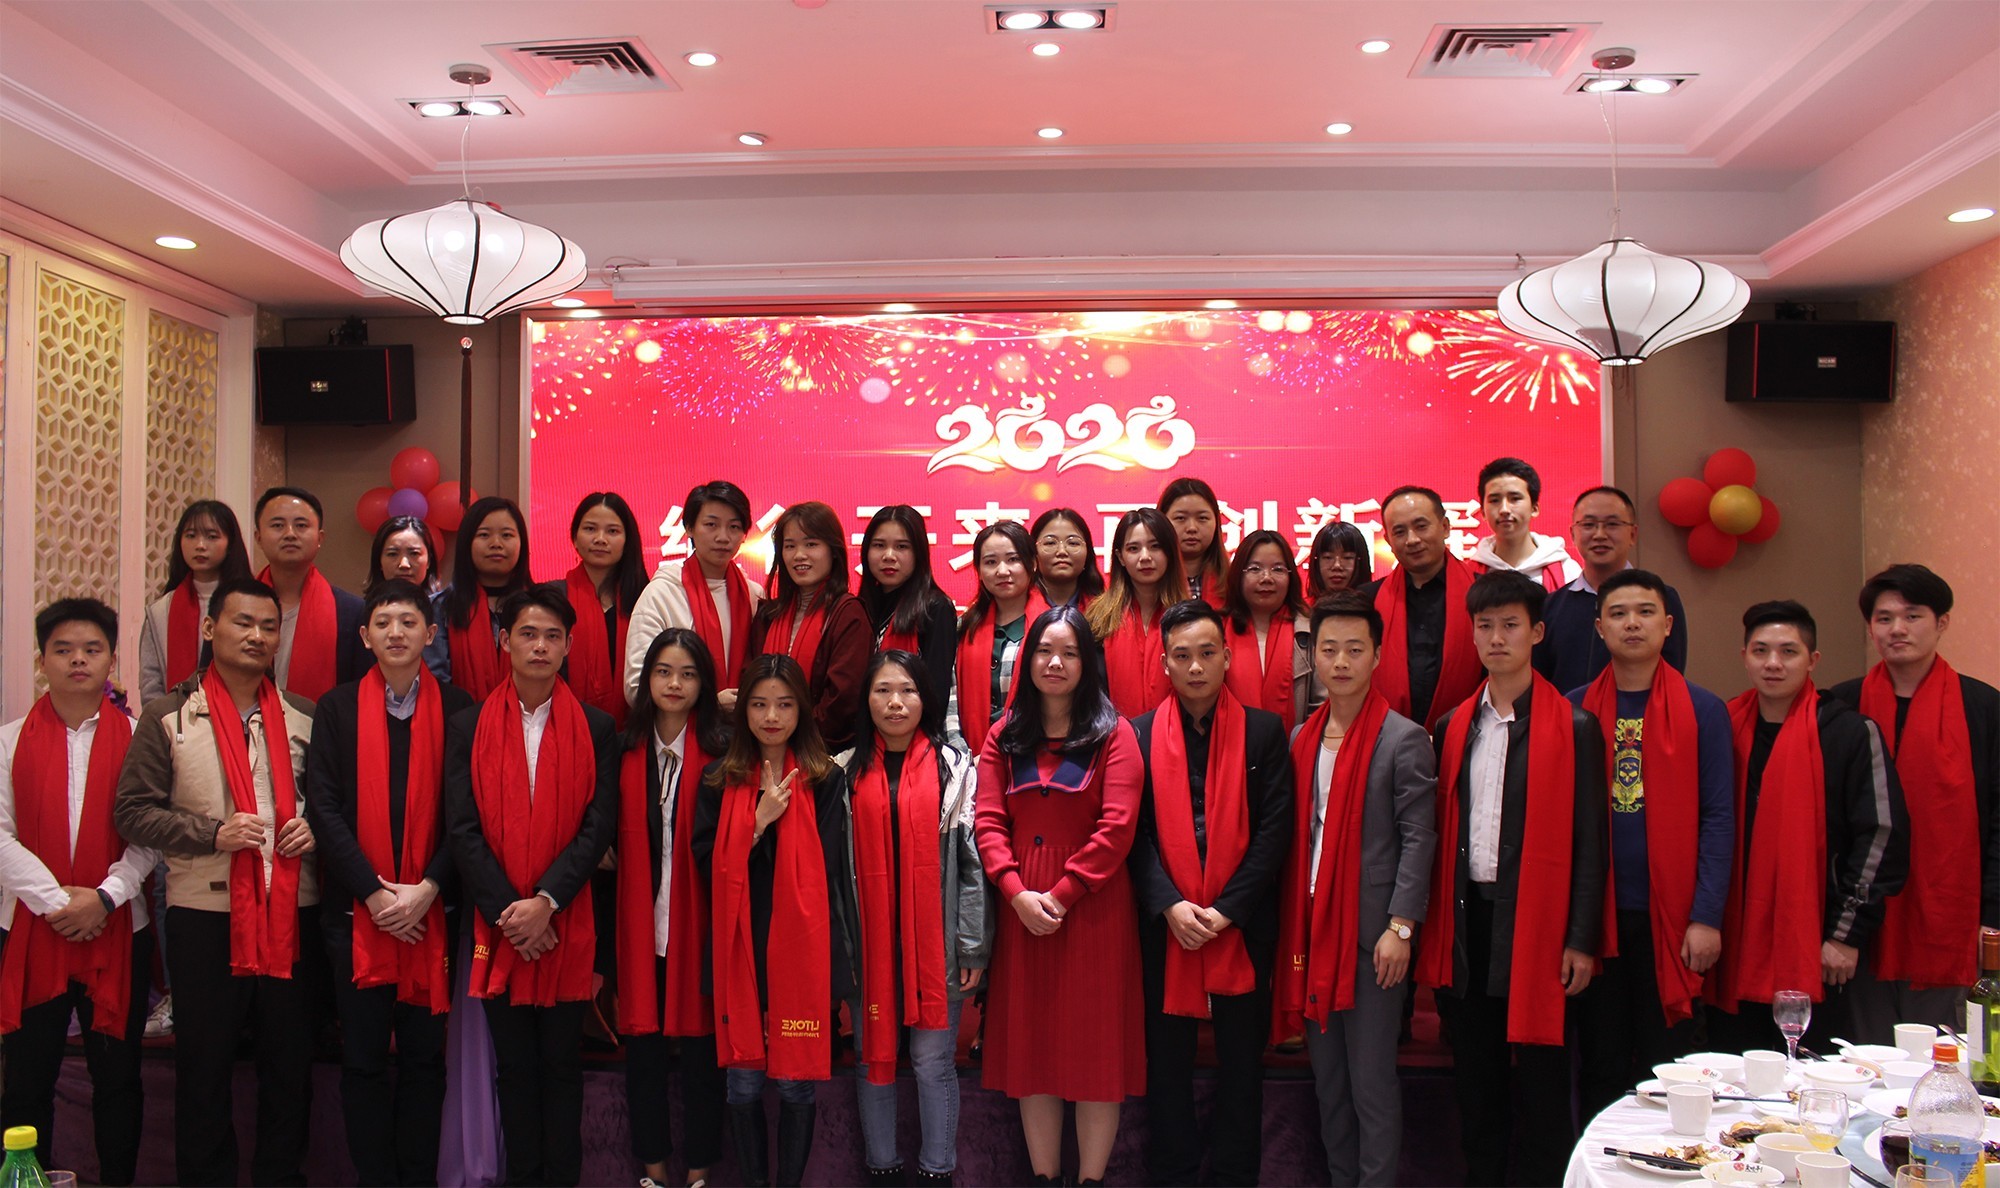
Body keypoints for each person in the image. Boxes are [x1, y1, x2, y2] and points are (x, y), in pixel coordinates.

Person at [113, 577, 321, 1187]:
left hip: (293, 914)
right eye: (242, 623)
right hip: (205, 918)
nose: (256, 636)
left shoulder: (306, 715)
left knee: (290, 1071)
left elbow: (335, 805)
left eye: (268, 627)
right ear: (211, 629)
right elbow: (132, 811)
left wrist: (314, 826)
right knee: (203, 1072)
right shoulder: (168, 716)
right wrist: (211, 833)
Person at [1415, 571, 1607, 1188]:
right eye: (1485, 626)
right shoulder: (1452, 726)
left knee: (1544, 1089)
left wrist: (1580, 938)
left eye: (1510, 625)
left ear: (1537, 632)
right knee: (1478, 1087)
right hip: (1468, 924)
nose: (1497, 638)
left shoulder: (1575, 726)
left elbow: (1590, 842)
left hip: (1539, 926)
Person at [445, 583, 620, 1188]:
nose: (540, 646)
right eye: (527, 634)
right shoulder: (467, 725)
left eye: (552, 636)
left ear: (568, 645)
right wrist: (511, 913)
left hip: (565, 922)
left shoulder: (597, 727)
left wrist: (546, 903)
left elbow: (598, 826)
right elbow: (462, 828)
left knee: (562, 1067)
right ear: (505, 641)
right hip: (500, 926)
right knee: (514, 1070)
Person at [303, 580, 475, 1185]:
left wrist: (428, 889)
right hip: (356, 915)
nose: (396, 632)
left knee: (426, 1061)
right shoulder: (337, 708)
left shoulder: (460, 708)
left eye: (408, 622)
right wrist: (375, 894)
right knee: (364, 1062)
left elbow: (468, 815)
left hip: (434, 912)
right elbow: (323, 808)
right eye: (383, 623)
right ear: (364, 636)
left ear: (431, 634)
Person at [974, 605, 1145, 1187]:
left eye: (1070, 653)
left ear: (1088, 663)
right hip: (1022, 908)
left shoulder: (1115, 734)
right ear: (1027, 660)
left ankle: (1091, 1180)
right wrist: (1016, 892)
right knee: (1035, 1055)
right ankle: (1045, 1178)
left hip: (1093, 910)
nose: (1055, 663)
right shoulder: (1004, 734)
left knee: (1096, 1057)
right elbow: (988, 823)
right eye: (1045, 651)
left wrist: (1063, 894)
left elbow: (1117, 830)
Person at [1128, 600, 1293, 1187]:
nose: (1195, 666)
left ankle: (1233, 1174)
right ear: (1165, 664)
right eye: (1182, 655)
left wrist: (1226, 911)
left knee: (1242, 1066)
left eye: (1206, 653)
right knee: (1167, 1064)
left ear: (1226, 657)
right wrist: (1170, 904)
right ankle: (1172, 1172)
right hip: (1166, 923)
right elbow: (1132, 834)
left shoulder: (1265, 732)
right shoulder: (1137, 735)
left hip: (1240, 925)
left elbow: (1275, 832)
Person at [1275, 591, 1436, 1188]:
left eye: (1354, 649)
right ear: (1313, 656)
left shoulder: (1404, 738)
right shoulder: (1302, 736)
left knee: (1370, 1084)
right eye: (1329, 649)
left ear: (1376, 655)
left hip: (1373, 935)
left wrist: (1401, 926)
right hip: (1313, 926)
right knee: (1330, 1084)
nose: (1340, 662)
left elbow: (1419, 838)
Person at [1705, 601, 1909, 1056]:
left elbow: (1882, 836)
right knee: (1737, 1068)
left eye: (1788, 651)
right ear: (1744, 657)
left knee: (1811, 1071)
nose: (1773, 663)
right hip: (1733, 942)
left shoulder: (1849, 733)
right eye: (1761, 651)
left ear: (1812, 660)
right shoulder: (1723, 725)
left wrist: (1845, 934)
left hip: (1819, 944)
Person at [1566, 570, 1735, 1120]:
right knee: (1602, 1063)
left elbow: (1718, 817)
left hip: (1676, 919)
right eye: (1618, 614)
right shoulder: (1572, 710)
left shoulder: (1704, 709)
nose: (1632, 624)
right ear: (1600, 628)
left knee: (1672, 1066)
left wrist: (1706, 916)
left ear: (1667, 625)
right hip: (1598, 921)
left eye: (1645, 612)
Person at [0, 599, 157, 1184]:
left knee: (118, 1079)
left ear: (111, 659)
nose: (77, 661)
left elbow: (151, 832)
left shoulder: (140, 740)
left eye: (92, 649)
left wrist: (106, 897)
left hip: (118, 927)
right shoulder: (9, 741)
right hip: (30, 929)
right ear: (42, 659)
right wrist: (60, 901)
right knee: (27, 1080)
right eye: (63, 650)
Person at [690, 655, 851, 1188]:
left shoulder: (825, 778)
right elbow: (706, 863)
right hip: (740, 941)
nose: (772, 717)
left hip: (800, 944)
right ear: (744, 713)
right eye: (759, 705)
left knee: (795, 1082)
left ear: (801, 709)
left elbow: (828, 866)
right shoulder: (719, 778)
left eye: (784, 704)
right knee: (742, 1082)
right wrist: (755, 825)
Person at [835, 651, 993, 1188]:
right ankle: (881, 1167)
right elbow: (831, 874)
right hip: (870, 944)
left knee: (932, 1062)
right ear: (866, 699)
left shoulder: (956, 769)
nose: (895, 703)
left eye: (907, 690)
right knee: (872, 1057)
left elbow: (972, 865)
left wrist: (971, 945)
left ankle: (936, 1171)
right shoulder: (842, 772)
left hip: (936, 944)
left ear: (927, 698)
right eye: (882, 691)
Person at [1827, 564, 1992, 1035]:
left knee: (1943, 1056)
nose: (1897, 629)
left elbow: (1998, 819)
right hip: (1860, 921)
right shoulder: (1841, 706)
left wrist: (1993, 915)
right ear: (1870, 628)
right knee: (1865, 1054)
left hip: (1949, 916)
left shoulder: (1984, 708)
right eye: (1884, 618)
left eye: (1913, 616)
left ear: (1942, 622)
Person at [614, 629, 730, 1188]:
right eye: (663, 672)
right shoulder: (622, 749)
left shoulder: (725, 752)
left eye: (687, 673)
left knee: (705, 1059)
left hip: (702, 930)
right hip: (639, 929)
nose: (675, 684)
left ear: (703, 683)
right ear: (647, 680)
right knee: (644, 1057)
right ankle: (654, 1173)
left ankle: (700, 1173)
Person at [625, 480, 764, 712]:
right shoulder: (662, 594)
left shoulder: (753, 595)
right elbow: (636, 686)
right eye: (711, 525)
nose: (723, 537)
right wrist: (710, 705)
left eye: (734, 526)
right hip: (680, 729)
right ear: (689, 528)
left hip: (745, 728)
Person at [745, 501, 871, 754]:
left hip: (822, 754)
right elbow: (750, 681)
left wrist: (792, 739)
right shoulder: (767, 615)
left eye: (811, 544)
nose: (799, 555)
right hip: (763, 750)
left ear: (833, 550)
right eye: (790, 546)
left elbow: (842, 700)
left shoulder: (848, 614)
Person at [1535, 486, 1688, 693]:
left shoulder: (1662, 599)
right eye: (1588, 525)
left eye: (1612, 524)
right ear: (1573, 534)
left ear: (1633, 534)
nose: (1599, 534)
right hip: (1566, 713)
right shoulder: (1551, 607)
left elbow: (1671, 677)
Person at [1367, 486, 1482, 732]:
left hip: (1470, 735)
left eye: (1421, 526)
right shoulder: (1368, 600)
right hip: (1388, 738)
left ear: (1445, 527)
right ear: (1388, 540)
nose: (1412, 540)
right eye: (1400, 532)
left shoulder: (1483, 595)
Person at [252, 486, 367, 703]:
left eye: (301, 525)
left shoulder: (352, 612)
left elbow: (360, 692)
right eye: (277, 525)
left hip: (321, 723)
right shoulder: (232, 607)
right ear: (258, 537)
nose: (290, 534)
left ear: (319, 537)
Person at [139, 500, 253, 705]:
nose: (200, 545)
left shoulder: (253, 604)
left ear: (230, 543)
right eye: (191, 536)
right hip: (176, 720)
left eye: (212, 536)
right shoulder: (161, 610)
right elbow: (151, 684)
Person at [1086, 508, 1190, 720]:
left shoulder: (1190, 619)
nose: (1145, 557)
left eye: (1155, 546)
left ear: (1170, 552)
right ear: (1120, 557)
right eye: (1133, 548)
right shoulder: (1097, 619)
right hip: (1112, 735)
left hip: (1178, 733)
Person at [428, 496, 535, 699]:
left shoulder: (541, 606)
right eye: (484, 535)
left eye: (507, 535)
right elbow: (438, 683)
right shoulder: (439, 607)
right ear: (467, 543)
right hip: (461, 716)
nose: (496, 544)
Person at [956, 522, 1048, 756]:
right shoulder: (964, 627)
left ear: (1033, 563)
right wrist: (963, 758)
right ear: (978, 570)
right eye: (990, 562)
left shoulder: (1053, 627)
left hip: (1034, 757)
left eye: (1013, 559)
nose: (1002, 571)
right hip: (971, 760)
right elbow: (949, 700)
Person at [858, 506, 958, 709]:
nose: (889, 556)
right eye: (879, 545)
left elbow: (936, 693)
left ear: (919, 553)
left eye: (902, 546)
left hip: (910, 723)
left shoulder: (935, 608)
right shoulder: (860, 607)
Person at [563, 491, 646, 729]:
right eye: (590, 529)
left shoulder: (645, 599)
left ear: (627, 540)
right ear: (575, 537)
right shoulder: (555, 599)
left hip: (636, 730)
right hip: (567, 726)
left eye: (612, 531)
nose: (600, 539)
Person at [1221, 529, 1310, 733]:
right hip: (1229, 744)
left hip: (1295, 746)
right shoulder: (1217, 631)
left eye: (1278, 569)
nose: (1266, 578)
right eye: (1255, 569)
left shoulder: (1309, 632)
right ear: (1238, 575)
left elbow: (1320, 705)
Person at [1466, 457, 1578, 592]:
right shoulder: (1468, 575)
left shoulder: (1567, 573)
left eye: (1515, 499)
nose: (1504, 510)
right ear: (1483, 511)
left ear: (1535, 508)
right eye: (1495, 500)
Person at [1159, 477, 1228, 609]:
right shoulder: (1146, 583)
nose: (1192, 528)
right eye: (1180, 518)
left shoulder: (1234, 582)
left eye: (1202, 518)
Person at [1030, 507, 1104, 610]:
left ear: (1088, 552)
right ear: (1033, 552)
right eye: (1050, 543)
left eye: (1073, 543)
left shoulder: (1106, 610)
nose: (1062, 551)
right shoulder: (1017, 607)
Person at [364, 515, 442, 597]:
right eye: (392, 554)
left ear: (429, 560)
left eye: (414, 553)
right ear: (379, 561)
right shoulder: (363, 605)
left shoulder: (443, 605)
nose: (404, 564)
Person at [1305, 521, 1372, 603]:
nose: (1337, 566)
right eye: (1328, 557)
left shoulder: (1375, 606)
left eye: (1347, 557)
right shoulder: (1304, 609)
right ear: (1316, 562)